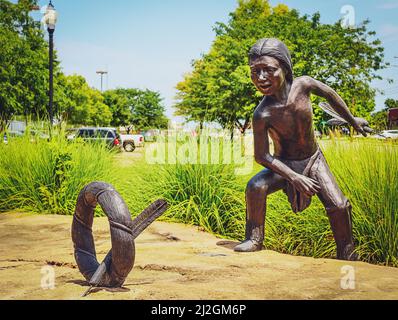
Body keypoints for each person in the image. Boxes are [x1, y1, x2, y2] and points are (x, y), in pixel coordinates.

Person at [234, 38, 368, 261]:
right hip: (284, 164)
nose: (261, 78)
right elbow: (262, 156)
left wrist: (353, 120)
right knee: (255, 186)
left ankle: (347, 251)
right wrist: (294, 177)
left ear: (284, 68)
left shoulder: (304, 85)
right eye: (255, 72)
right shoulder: (262, 114)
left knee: (339, 205)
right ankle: (254, 238)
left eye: (268, 70)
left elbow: (330, 95)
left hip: (312, 159)